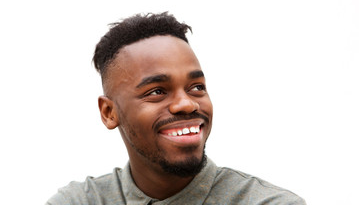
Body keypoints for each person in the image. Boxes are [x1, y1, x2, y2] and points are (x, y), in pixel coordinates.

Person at [46, 12, 306, 205]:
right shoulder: (79, 201)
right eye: (157, 91)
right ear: (108, 112)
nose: (187, 103)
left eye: (196, 87)